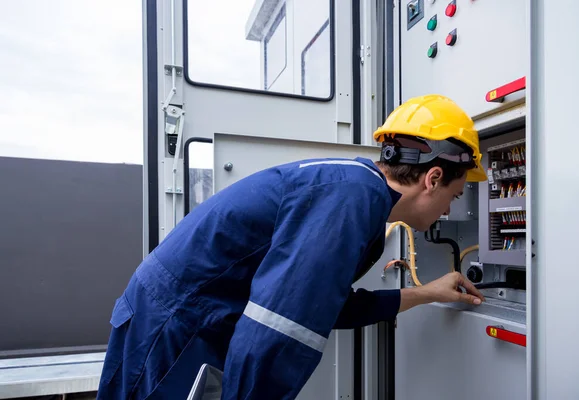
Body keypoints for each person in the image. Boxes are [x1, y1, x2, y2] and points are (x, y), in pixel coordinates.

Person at [96, 94, 488, 399]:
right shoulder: (353, 199)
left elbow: (323, 305)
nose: (451, 208)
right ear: (432, 179)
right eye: (455, 194)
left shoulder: (356, 192)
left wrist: (425, 293)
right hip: (172, 327)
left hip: (177, 319)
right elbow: (280, 327)